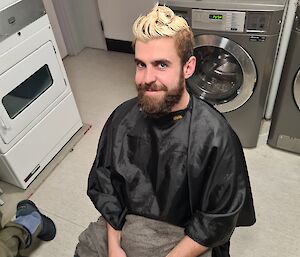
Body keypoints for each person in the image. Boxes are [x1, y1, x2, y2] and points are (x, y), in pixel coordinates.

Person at [75, 4, 256, 257]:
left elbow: (216, 220)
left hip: (184, 237)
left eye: (161, 65)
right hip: (127, 225)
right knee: (87, 247)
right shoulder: (121, 118)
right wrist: (115, 249)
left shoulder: (215, 136)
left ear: (188, 67)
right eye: (141, 64)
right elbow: (108, 190)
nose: (147, 78)